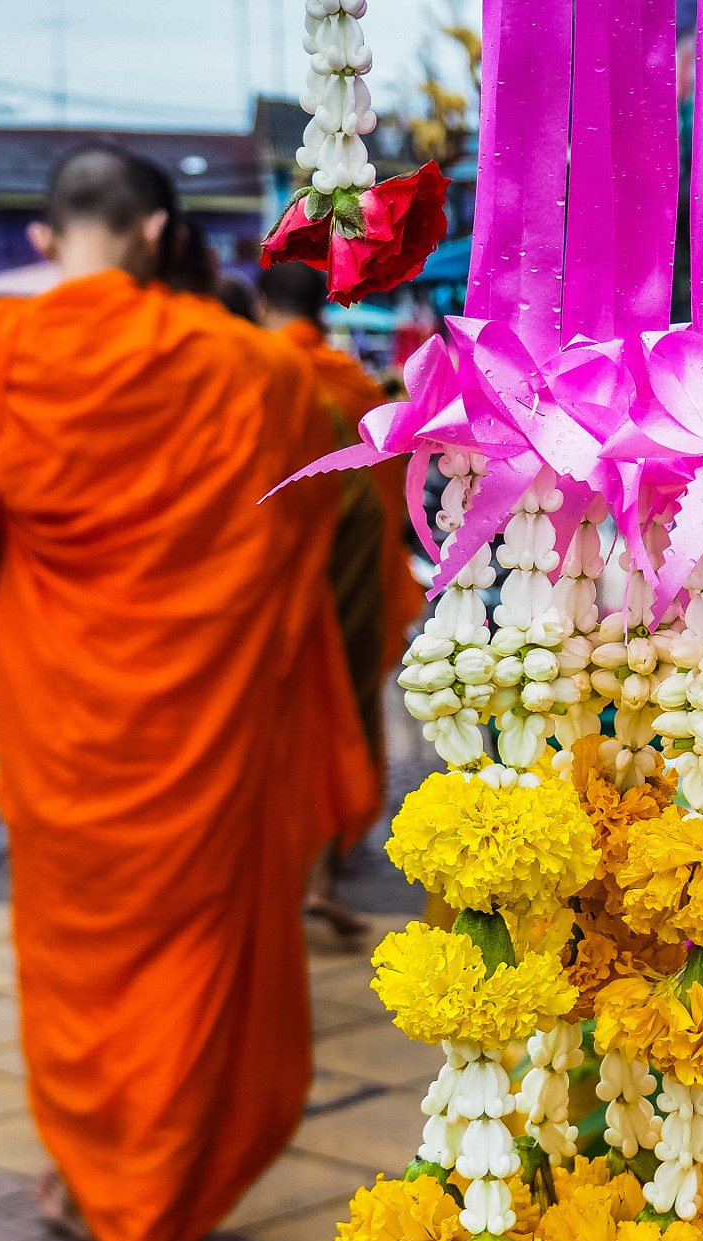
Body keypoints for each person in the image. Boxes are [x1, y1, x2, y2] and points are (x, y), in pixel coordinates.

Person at [0, 142, 377, 1241]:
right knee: (186, 974)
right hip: (201, 728)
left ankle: (89, 1181)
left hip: (61, 723)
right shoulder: (248, 367)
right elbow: (317, 516)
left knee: (75, 970)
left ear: (44, 240)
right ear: (163, 232)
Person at [257, 263, 425, 939]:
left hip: (280, 577)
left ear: (264, 306)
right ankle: (326, 854)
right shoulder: (353, 386)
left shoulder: (264, 377)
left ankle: (304, 863)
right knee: (341, 705)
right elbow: (388, 492)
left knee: (288, 716)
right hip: (353, 577)